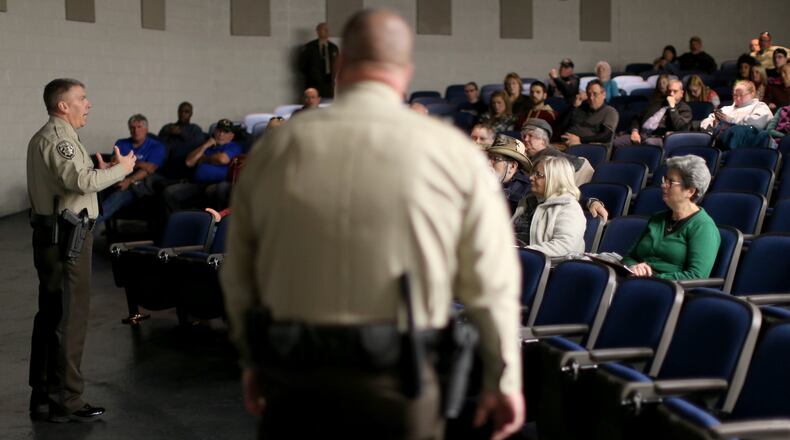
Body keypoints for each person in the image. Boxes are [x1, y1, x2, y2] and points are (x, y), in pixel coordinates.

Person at [220, 9, 524, 440]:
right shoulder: (455, 155)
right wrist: (503, 379)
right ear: (406, 72)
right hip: (403, 382)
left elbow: (241, 270)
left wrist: (253, 361)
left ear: (340, 67)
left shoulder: (277, 149)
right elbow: (492, 283)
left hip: (297, 377)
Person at [27, 78, 135, 422]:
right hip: (68, 239)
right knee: (70, 318)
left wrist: (98, 172)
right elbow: (79, 182)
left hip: (52, 234)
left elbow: (75, 181)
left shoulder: (48, 137)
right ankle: (67, 401)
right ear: (63, 106)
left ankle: (43, 395)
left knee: (51, 314)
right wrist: (123, 169)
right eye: (82, 99)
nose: (88, 104)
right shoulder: (60, 140)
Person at [623, 155, 720, 280]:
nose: (663, 185)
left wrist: (653, 278)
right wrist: (634, 267)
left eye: (671, 182)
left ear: (690, 191)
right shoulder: (657, 218)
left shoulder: (704, 226)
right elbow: (629, 257)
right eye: (665, 180)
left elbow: (696, 276)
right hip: (637, 281)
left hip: (670, 292)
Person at [96, 114, 166, 225]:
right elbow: (114, 163)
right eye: (132, 128)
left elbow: (150, 168)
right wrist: (140, 164)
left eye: (139, 127)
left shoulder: (157, 146)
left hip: (142, 185)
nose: (136, 131)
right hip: (119, 179)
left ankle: (89, 225)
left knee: (118, 195)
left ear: (146, 129)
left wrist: (129, 173)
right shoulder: (121, 143)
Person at [163, 118, 243, 212]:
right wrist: (205, 145)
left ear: (231, 136)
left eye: (225, 132)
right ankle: (180, 222)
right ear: (214, 132)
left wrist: (203, 159)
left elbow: (222, 159)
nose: (221, 134)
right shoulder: (206, 146)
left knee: (218, 190)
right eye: (219, 131)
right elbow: (189, 162)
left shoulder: (233, 146)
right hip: (197, 184)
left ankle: (215, 224)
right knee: (169, 192)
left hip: (218, 183)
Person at [517, 156, 586, 257]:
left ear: (555, 178)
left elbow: (564, 246)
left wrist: (521, 252)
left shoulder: (569, 207)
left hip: (541, 265)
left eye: (538, 174)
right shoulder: (527, 201)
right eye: (532, 173)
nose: (531, 177)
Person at [613, 79, 691, 148]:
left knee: (649, 143)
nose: (671, 94)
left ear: (681, 93)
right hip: (640, 134)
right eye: (669, 90)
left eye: (675, 91)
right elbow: (637, 118)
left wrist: (672, 108)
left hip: (659, 138)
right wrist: (634, 131)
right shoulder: (656, 103)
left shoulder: (685, 109)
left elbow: (679, 127)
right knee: (616, 143)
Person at [522, 118, 595, 186]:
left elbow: (578, 164)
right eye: (524, 136)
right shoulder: (531, 155)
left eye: (530, 135)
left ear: (543, 140)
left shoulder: (550, 154)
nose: (525, 139)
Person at [559, 79, 619, 149]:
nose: (591, 97)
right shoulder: (581, 107)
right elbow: (561, 126)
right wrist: (573, 106)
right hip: (564, 143)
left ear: (604, 94)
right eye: (589, 94)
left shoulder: (610, 111)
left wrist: (580, 139)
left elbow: (606, 136)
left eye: (595, 94)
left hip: (588, 146)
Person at [485, 134, 533, 213]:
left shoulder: (527, 190)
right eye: (488, 158)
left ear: (512, 166)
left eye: (495, 159)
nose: (488, 163)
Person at [157, 101, 206, 178]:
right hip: (167, 165)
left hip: (186, 165)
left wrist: (181, 133)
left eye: (186, 112)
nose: (183, 114)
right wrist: (168, 133)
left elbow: (198, 145)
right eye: (181, 111)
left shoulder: (195, 129)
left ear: (191, 114)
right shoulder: (168, 127)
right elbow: (158, 144)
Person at [700, 80, 773, 131]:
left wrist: (730, 120)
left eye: (741, 95)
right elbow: (705, 122)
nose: (738, 98)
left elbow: (758, 123)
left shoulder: (760, 106)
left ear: (752, 93)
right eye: (735, 95)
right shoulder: (726, 109)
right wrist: (713, 124)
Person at [298, 22, 339, 98]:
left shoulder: (333, 48)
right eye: (324, 29)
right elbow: (302, 65)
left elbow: (337, 64)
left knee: (327, 104)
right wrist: (312, 74)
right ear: (318, 31)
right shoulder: (309, 47)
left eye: (328, 30)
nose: (327, 32)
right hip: (313, 83)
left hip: (328, 83)